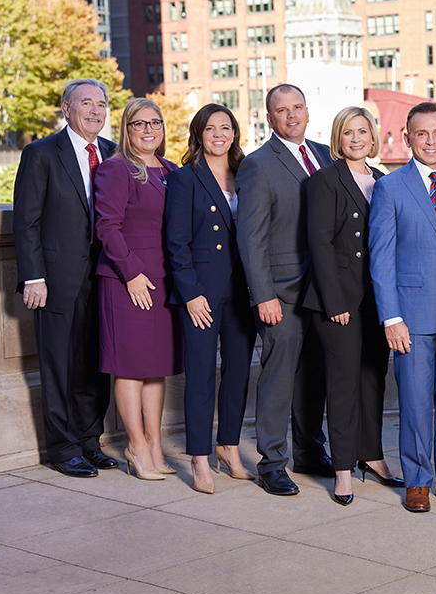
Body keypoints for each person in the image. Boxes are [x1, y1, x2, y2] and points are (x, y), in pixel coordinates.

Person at [369, 102, 436, 514]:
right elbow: (381, 258)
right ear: (407, 138)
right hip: (411, 314)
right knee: (414, 402)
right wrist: (391, 317)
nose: (431, 141)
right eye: (421, 134)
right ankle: (417, 481)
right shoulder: (391, 187)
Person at [13, 79, 117, 478]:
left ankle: (90, 440)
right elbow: (27, 222)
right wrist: (33, 277)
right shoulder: (40, 154)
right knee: (58, 364)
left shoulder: (112, 153)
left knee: (96, 360)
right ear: (66, 108)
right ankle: (62, 447)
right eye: (86, 102)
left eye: (101, 104)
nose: (95, 110)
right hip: (56, 278)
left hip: (105, 275)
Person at [236, 84, 334, 497]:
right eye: (282, 110)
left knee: (315, 375)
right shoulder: (258, 165)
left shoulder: (326, 155)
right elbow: (250, 237)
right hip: (282, 291)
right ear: (269, 117)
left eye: (297, 108)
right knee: (278, 377)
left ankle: (311, 451)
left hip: (324, 290)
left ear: (308, 112)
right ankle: (272, 462)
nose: (291, 116)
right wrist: (263, 295)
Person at [305, 107, 397, 506]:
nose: (356, 139)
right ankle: (343, 469)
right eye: (348, 133)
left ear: (373, 137)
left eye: (363, 131)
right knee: (342, 384)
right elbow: (319, 244)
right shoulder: (323, 181)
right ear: (338, 140)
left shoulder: (383, 181)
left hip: (376, 300)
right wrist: (334, 300)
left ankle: (371, 454)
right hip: (338, 300)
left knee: (373, 378)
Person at [165, 104, 257, 494]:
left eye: (226, 127)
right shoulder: (185, 178)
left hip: (243, 291)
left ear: (234, 133)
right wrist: (191, 294)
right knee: (200, 376)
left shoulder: (248, 174)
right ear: (198, 134)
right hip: (201, 293)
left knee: (238, 374)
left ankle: (229, 447)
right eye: (210, 128)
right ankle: (200, 457)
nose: (219, 134)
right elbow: (176, 242)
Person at [93, 97, 183, 479]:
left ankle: (155, 444)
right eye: (139, 123)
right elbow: (106, 227)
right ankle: (136, 446)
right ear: (126, 130)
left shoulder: (171, 170)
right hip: (126, 279)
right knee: (130, 368)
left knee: (155, 368)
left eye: (155, 123)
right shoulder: (116, 169)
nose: (148, 130)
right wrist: (130, 272)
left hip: (164, 279)